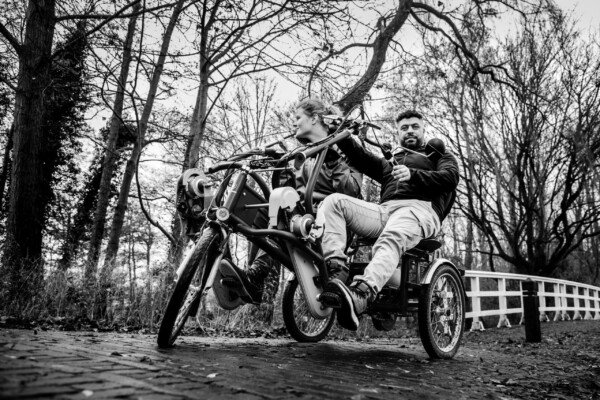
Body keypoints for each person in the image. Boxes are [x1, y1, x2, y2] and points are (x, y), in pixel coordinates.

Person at [213, 98, 362, 307]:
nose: (293, 123)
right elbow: (293, 189)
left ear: (314, 119)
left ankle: (257, 276)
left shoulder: (346, 148)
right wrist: (281, 169)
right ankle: (256, 276)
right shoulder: (304, 155)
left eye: (298, 117)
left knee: (280, 211)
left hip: (332, 221)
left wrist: (332, 160)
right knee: (266, 210)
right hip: (302, 215)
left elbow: (351, 191)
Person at [319, 110, 459, 331]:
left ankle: (362, 293)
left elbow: (450, 178)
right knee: (334, 202)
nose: (410, 131)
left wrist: (413, 175)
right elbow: (361, 158)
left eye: (415, 126)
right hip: (385, 211)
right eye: (404, 128)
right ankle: (336, 270)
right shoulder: (391, 161)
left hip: (420, 210)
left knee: (393, 233)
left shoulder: (439, 155)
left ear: (423, 129)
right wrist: (341, 133)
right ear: (398, 133)